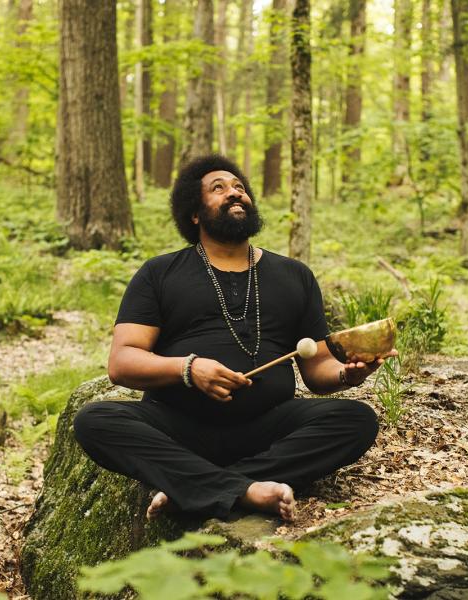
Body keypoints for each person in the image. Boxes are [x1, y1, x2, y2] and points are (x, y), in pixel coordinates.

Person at [73, 154, 396, 522]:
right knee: (95, 420)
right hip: (178, 427)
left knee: (356, 420)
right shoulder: (158, 273)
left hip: (267, 427)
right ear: (195, 214)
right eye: (219, 188)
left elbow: (317, 367)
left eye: (240, 188)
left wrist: (347, 375)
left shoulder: (294, 276)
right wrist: (189, 369)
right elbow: (122, 362)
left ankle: (199, 488)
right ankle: (244, 489)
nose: (234, 193)